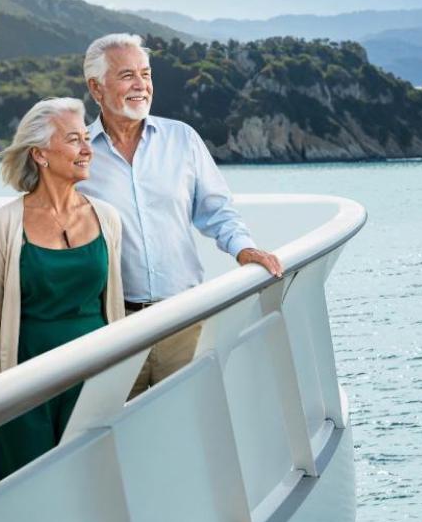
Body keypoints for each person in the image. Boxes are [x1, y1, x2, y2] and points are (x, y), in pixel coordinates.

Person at [75, 34, 282, 397]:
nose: (141, 85)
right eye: (127, 76)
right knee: (121, 438)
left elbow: (217, 211)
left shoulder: (182, 139)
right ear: (96, 87)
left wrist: (243, 249)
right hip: (112, 329)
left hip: (185, 319)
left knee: (192, 426)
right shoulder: (78, 155)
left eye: (145, 73)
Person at [0, 99, 126, 482]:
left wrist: (122, 377)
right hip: (22, 386)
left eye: (87, 138)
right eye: (73, 140)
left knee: (89, 487)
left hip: (94, 379)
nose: (87, 149)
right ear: (40, 154)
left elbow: (114, 306)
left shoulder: (109, 219)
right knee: (24, 489)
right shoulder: (4, 224)